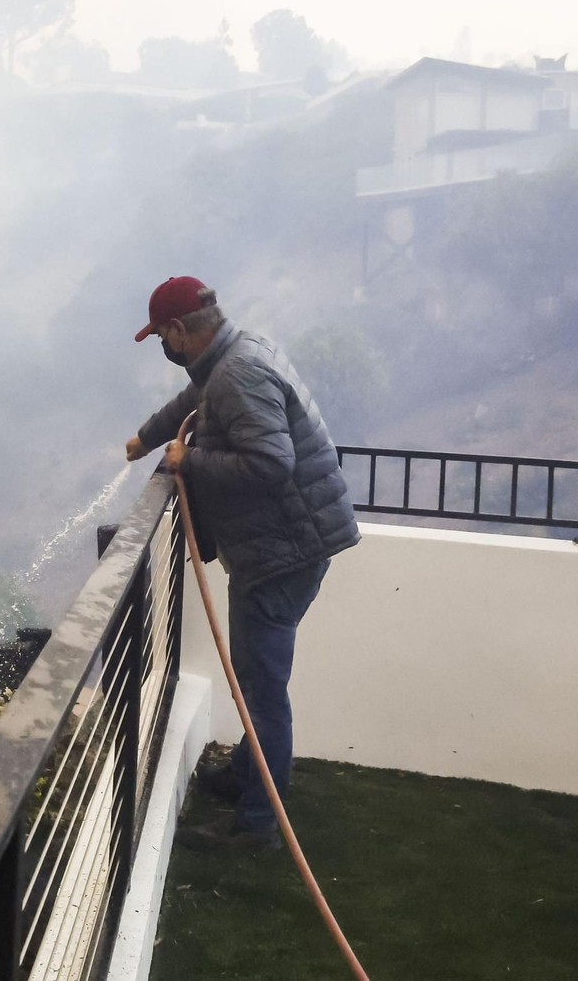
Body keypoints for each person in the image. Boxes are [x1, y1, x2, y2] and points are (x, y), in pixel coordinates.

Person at [125, 276, 359, 851]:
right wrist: (147, 438)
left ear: (179, 330)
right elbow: (192, 403)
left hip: (284, 552)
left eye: (162, 335)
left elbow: (270, 464)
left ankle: (259, 825)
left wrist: (190, 457)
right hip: (280, 545)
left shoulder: (237, 373)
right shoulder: (232, 355)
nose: (164, 345)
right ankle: (247, 778)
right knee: (256, 680)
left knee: (262, 690)